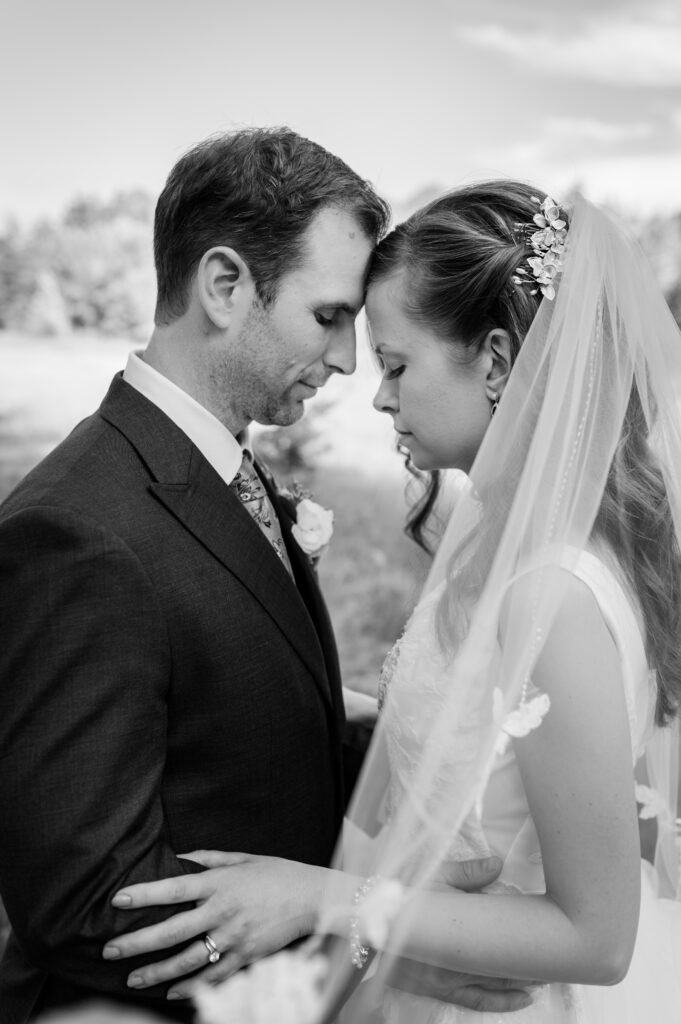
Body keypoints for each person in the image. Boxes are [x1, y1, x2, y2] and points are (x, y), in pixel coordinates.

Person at [104, 181, 681, 1023]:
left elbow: (596, 937)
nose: (376, 396)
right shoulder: (507, 532)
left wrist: (321, 898)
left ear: (491, 361)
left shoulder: (551, 593)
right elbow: (476, 736)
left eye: (397, 366)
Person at [0, 126, 389, 1023]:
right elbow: (86, 902)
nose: (346, 361)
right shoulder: (77, 532)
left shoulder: (220, 464)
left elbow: (223, 713)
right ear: (224, 286)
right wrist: (337, 922)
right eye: (328, 316)